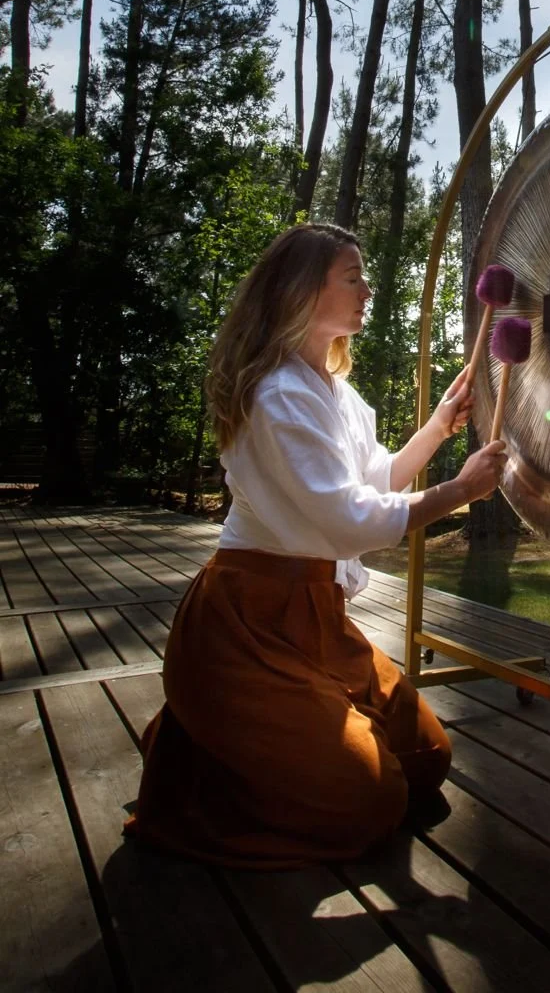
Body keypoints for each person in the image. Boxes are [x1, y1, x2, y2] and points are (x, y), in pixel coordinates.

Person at [125, 221, 507, 868]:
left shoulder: (343, 398)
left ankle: (249, 743)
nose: (367, 290)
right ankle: (200, 761)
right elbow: (345, 519)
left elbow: (375, 480)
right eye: (351, 277)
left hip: (320, 621)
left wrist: (439, 428)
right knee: (370, 802)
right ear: (304, 289)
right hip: (246, 624)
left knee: (426, 759)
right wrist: (457, 493)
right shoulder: (274, 394)